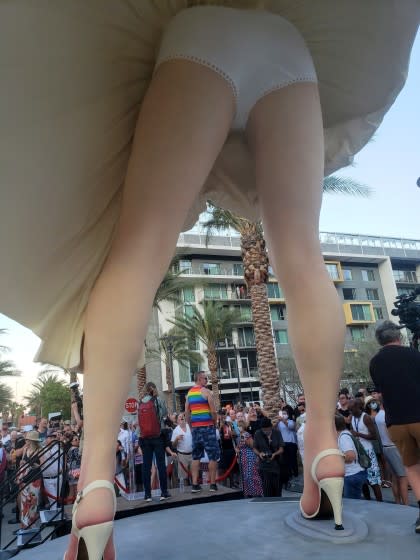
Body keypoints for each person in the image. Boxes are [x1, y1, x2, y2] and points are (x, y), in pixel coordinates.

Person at [0, 5, 418, 558]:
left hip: (197, 39)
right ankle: (324, 441)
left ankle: (97, 479)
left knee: (136, 253)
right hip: (291, 51)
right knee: (301, 256)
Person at [370, 320, 420, 533]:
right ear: (398, 336)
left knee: (411, 468)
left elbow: (381, 392)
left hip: (396, 423)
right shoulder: (414, 355)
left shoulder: (375, 363)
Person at [185, 371, 219, 493]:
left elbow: (187, 413)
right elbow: (213, 411)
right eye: (205, 378)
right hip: (208, 427)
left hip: (195, 428)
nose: (207, 381)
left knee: (196, 456)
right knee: (212, 455)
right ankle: (213, 484)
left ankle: (195, 484)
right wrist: (214, 422)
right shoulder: (206, 392)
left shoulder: (189, 393)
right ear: (199, 378)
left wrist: (191, 425)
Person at [138, 382, 171, 502]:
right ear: (154, 389)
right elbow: (164, 414)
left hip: (144, 438)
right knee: (161, 465)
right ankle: (164, 492)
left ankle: (147, 495)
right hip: (157, 436)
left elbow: (139, 423)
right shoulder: (158, 400)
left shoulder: (140, 402)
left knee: (146, 466)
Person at [348, 398, 383, 502]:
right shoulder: (353, 418)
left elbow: (374, 436)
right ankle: (367, 502)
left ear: (358, 408)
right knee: (362, 480)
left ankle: (380, 504)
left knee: (373, 481)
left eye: (352, 409)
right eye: (349, 410)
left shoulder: (366, 417)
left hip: (368, 452)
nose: (350, 412)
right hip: (359, 452)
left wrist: (358, 434)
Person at [335, 415, 367, 500]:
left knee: (353, 506)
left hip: (352, 475)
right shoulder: (345, 434)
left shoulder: (343, 438)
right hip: (354, 474)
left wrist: (335, 459)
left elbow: (350, 456)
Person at [253, 417, 285, 497]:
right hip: (264, 465)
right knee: (267, 489)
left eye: (267, 429)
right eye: (264, 430)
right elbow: (254, 448)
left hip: (276, 465)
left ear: (271, 427)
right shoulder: (258, 433)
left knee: (277, 489)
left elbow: (281, 448)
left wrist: (274, 454)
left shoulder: (276, 433)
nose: (266, 431)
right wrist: (260, 454)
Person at [18, 431, 43, 529]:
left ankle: (32, 526)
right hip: (25, 479)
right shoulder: (26, 449)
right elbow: (22, 462)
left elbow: (42, 464)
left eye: (27, 439)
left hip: (35, 479)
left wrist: (31, 465)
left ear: (32, 441)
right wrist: (22, 463)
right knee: (24, 503)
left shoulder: (39, 450)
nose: (26, 441)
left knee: (32, 503)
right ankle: (24, 525)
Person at [237, 431, 263, 498]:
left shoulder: (246, 435)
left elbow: (253, 446)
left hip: (250, 457)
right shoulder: (240, 436)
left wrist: (257, 456)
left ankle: (257, 492)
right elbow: (238, 447)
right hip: (244, 458)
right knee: (245, 476)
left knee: (252, 475)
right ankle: (249, 493)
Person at [171, 413, 193, 486]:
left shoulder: (189, 426)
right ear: (177, 420)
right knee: (184, 477)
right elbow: (173, 445)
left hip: (192, 454)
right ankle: (187, 493)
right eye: (180, 417)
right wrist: (177, 439)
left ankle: (195, 488)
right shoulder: (176, 430)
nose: (182, 417)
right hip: (182, 455)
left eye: (183, 416)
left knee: (194, 474)